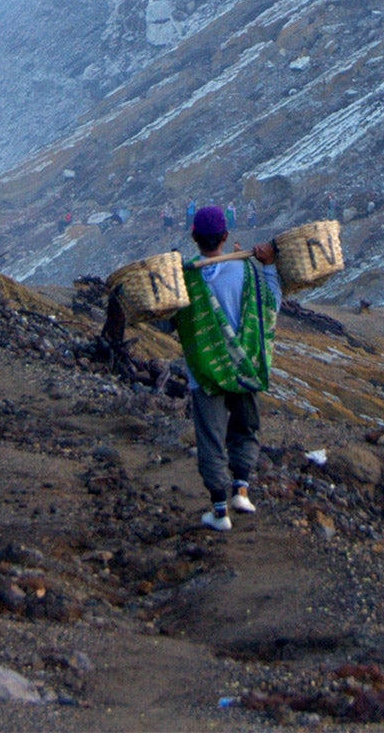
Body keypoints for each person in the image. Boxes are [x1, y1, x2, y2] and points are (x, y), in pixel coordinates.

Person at [170, 205, 280, 533]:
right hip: (243, 365)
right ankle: (241, 491)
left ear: (193, 237)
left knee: (211, 437)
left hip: (204, 372)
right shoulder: (245, 270)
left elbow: (167, 319)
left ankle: (219, 513)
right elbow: (271, 305)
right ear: (226, 236)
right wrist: (269, 267)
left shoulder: (186, 280)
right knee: (246, 427)